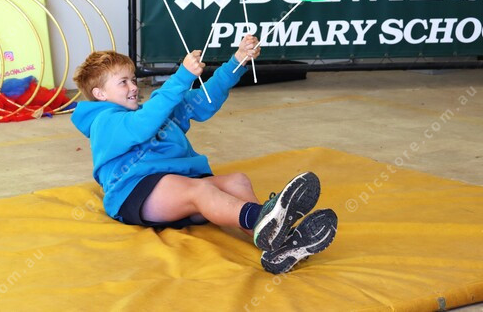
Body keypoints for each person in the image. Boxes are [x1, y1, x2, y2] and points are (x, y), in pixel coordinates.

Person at [71, 35, 337, 274]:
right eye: (123, 82)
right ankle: (263, 218)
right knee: (201, 191)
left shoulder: (154, 110)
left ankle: (279, 246)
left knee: (237, 181)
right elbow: (142, 125)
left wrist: (237, 61)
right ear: (99, 94)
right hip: (136, 193)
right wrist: (181, 77)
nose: (133, 87)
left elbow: (204, 99)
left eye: (133, 79)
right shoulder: (104, 121)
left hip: (178, 188)